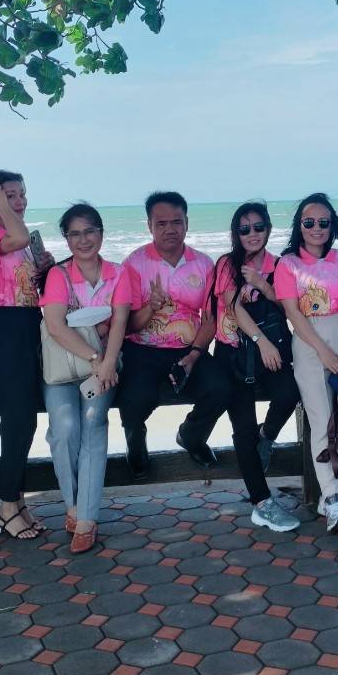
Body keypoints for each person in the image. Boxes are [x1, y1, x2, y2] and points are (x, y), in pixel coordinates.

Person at [116, 191, 231, 479]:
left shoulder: (204, 264)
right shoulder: (134, 263)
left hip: (188, 348)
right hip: (142, 349)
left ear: (187, 223)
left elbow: (210, 319)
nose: (170, 229)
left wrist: (195, 354)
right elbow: (126, 325)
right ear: (149, 226)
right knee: (133, 399)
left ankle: (191, 436)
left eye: (176, 222)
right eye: (161, 223)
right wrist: (150, 307)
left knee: (221, 387)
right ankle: (135, 442)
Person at [41, 203, 131, 552]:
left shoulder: (118, 273)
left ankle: (87, 520)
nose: (83, 240)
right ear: (66, 239)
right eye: (75, 233)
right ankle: (74, 505)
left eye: (90, 231)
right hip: (63, 368)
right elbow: (55, 325)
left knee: (93, 422)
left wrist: (107, 363)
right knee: (64, 429)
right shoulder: (58, 275)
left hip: (105, 365)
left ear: (101, 233)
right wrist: (95, 359)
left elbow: (120, 321)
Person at [0, 171, 53, 540]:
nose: (19, 201)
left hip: (31, 327)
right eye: (9, 195)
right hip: (5, 331)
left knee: (27, 421)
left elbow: (39, 290)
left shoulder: (24, 241)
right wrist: (1, 207)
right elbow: (16, 236)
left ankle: (17, 503)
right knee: (16, 420)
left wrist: (47, 268)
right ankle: (5, 506)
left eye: (22, 194)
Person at [274, 193, 338, 533]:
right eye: (309, 222)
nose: (316, 228)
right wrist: (324, 352)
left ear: (332, 225)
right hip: (310, 342)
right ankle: (332, 497)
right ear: (300, 225)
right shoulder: (288, 264)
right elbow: (293, 313)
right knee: (322, 420)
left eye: (323, 222)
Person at [213, 202, 300, 532]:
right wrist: (261, 341)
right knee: (243, 427)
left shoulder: (279, 265)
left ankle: (268, 436)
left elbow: (292, 309)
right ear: (236, 233)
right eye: (244, 229)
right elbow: (233, 307)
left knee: (290, 392)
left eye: (258, 227)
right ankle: (262, 503)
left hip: (272, 352)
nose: (252, 234)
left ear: (268, 229)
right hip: (234, 353)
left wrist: (265, 287)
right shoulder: (227, 264)